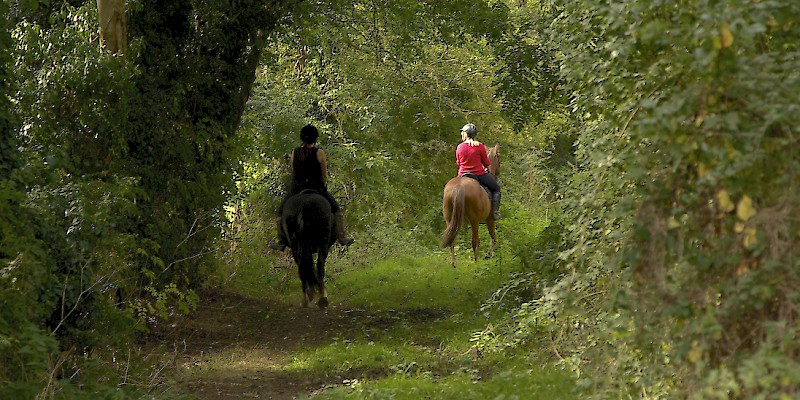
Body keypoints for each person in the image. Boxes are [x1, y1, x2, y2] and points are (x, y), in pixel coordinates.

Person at [271, 124, 354, 250]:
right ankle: (342, 236)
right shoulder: (319, 153)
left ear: (302, 138)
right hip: (317, 187)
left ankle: (281, 240)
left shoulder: (295, 152)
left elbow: (294, 171)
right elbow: (324, 175)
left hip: (297, 188)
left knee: (281, 211)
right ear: (315, 138)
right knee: (336, 209)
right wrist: (322, 185)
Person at [456, 123, 501, 220]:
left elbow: (459, 162)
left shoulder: (459, 147)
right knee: (496, 189)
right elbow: (486, 162)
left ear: (466, 134)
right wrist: (485, 167)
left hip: (462, 175)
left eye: (462, 132)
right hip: (478, 173)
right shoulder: (479, 146)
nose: (461, 134)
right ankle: (495, 212)